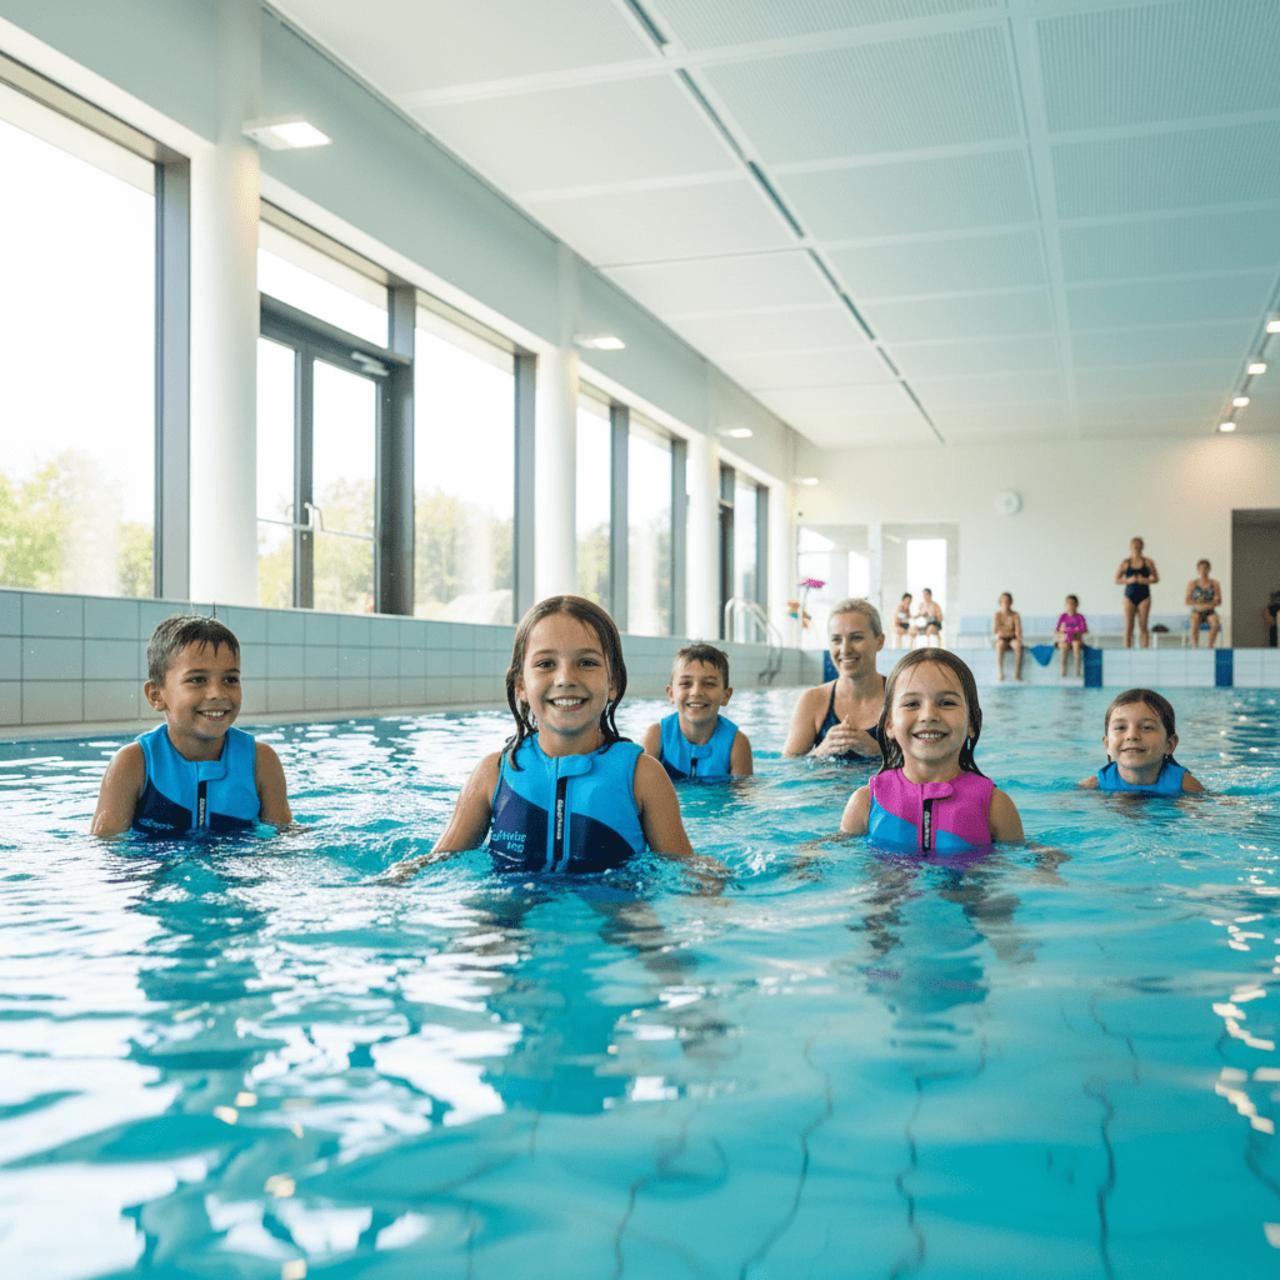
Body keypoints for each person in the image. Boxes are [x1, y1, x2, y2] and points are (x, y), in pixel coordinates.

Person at [414, 596, 696, 874]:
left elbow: (686, 871)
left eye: (587, 663)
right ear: (521, 685)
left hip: (612, 903)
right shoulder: (493, 774)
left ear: (613, 682)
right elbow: (436, 863)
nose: (566, 679)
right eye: (546, 664)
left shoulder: (643, 777)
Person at [90, 615, 292, 837]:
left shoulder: (261, 762)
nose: (217, 693)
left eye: (230, 679)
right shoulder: (134, 764)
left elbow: (281, 838)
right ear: (156, 695)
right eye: (197, 680)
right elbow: (107, 846)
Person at [839, 649, 1023, 850]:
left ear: (971, 722)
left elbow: (1021, 858)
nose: (928, 715)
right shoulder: (865, 803)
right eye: (912, 704)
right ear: (889, 724)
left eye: (947, 703)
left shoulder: (995, 806)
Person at [783, 598, 886, 761]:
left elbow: (925, 761)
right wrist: (821, 752)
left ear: (879, 641)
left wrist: (878, 751)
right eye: (836, 640)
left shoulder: (900, 697)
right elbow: (788, 766)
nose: (845, 650)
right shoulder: (813, 700)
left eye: (856, 638)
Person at [642, 643, 752, 781]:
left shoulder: (737, 743)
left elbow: (743, 793)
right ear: (671, 694)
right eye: (686, 684)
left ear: (726, 696)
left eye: (709, 684)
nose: (696, 692)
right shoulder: (656, 737)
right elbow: (640, 787)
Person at [1079, 688, 1204, 795]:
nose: (1132, 736)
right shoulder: (1094, 786)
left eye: (1147, 727)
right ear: (1107, 744)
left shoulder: (1184, 785)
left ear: (1169, 744)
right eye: (1121, 727)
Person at [1115, 536, 1159, 648]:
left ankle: (1144, 651)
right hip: (1129, 596)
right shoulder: (1125, 563)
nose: (1136, 547)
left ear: (1142, 547)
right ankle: (1127, 651)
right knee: (1129, 627)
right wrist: (1128, 580)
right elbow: (1117, 580)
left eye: (1138, 545)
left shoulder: (1148, 562)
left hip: (1144, 596)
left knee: (1143, 626)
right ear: (1130, 547)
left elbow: (1156, 578)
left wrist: (1144, 580)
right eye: (1134, 545)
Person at [1184, 559, 1222, 648]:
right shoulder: (1193, 583)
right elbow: (1187, 600)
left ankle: (1210, 646)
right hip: (1197, 610)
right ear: (1197, 570)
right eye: (1200, 568)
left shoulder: (1214, 584)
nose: (1203, 571)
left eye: (1205, 568)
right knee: (1194, 623)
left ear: (1209, 569)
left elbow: (1218, 601)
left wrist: (1207, 604)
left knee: (1215, 624)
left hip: (1210, 611)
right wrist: (1199, 603)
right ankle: (1195, 646)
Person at [992, 591, 1023, 682]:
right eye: (1003, 601)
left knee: (1018, 646)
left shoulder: (1015, 615)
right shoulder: (997, 615)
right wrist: (1007, 632)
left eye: (1007, 601)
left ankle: (1017, 674)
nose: (1005, 603)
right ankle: (1000, 673)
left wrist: (1018, 639)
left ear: (1011, 602)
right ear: (1000, 602)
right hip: (1002, 639)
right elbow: (995, 631)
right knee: (999, 645)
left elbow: (1018, 631)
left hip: (1012, 638)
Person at [1056, 594, 1088, 678]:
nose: (1070, 605)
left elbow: (1084, 629)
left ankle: (1077, 671)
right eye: (1068, 603)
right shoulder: (1063, 616)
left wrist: (1071, 630)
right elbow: (1057, 630)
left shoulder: (1080, 617)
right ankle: (1063, 672)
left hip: (1076, 639)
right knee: (1063, 647)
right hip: (1065, 640)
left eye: (1072, 603)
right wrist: (1062, 630)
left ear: (1076, 605)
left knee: (1076, 645)